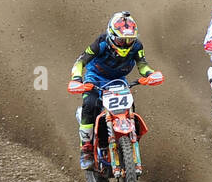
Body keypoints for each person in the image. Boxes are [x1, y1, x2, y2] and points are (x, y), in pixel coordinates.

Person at [68, 11, 163, 168]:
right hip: (95, 79)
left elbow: (142, 64)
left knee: (129, 108)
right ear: (112, 35)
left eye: (129, 40)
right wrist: (77, 79)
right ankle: (86, 148)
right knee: (90, 104)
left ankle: (128, 142)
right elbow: (80, 62)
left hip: (118, 81)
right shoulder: (101, 43)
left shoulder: (137, 46)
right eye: (121, 39)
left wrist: (151, 74)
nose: (126, 43)